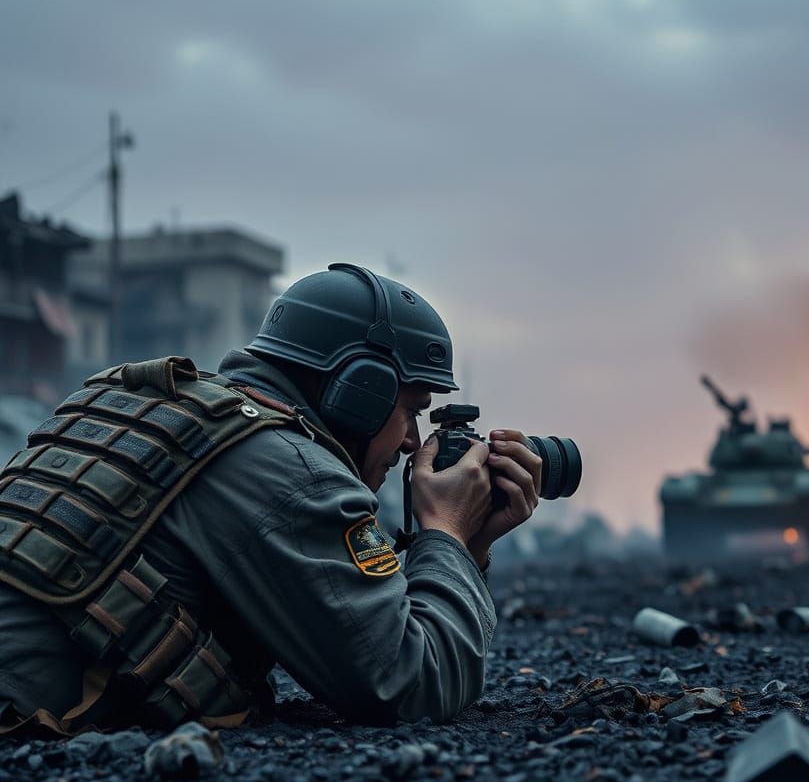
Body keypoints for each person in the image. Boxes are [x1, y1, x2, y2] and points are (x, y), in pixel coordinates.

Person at [0, 263, 542, 735]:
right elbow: (412, 684)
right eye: (410, 411)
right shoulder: (297, 473)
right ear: (360, 393)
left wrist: (465, 548)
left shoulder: (151, 408)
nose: (411, 442)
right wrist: (445, 532)